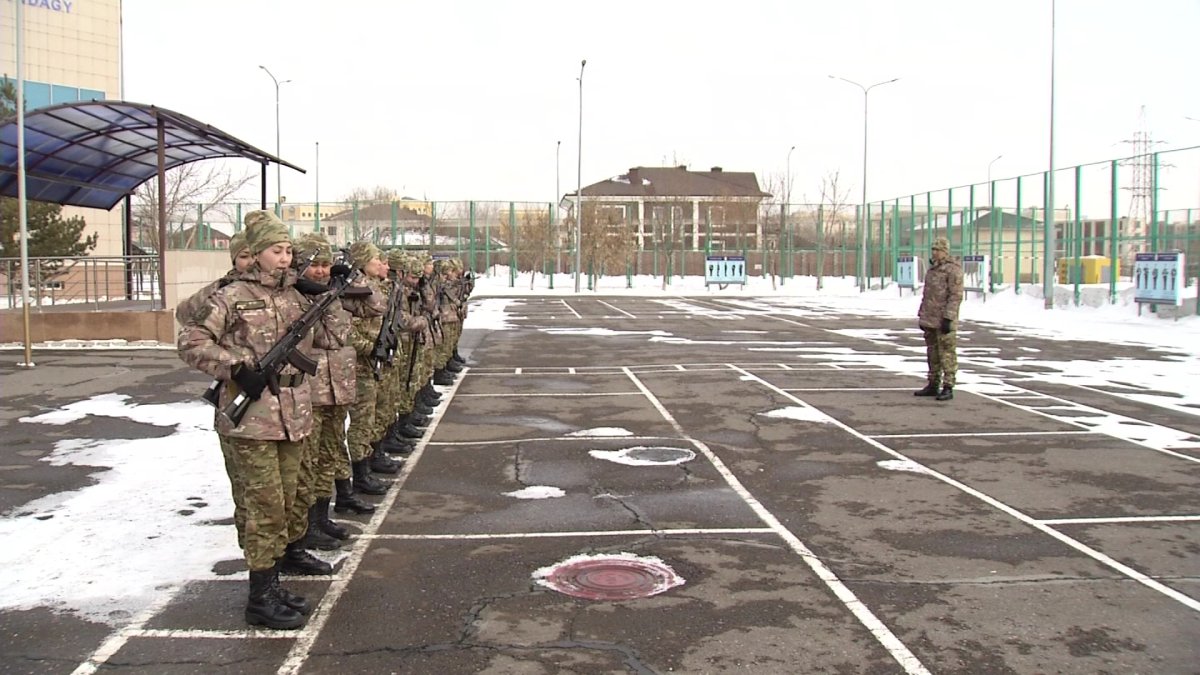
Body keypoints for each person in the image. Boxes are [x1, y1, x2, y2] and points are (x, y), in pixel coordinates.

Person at [177, 210, 314, 630]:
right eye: (277, 250)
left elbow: (329, 340)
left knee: (287, 504)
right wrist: (235, 366)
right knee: (263, 508)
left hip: (293, 413)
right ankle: (259, 598)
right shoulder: (231, 296)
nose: (285, 257)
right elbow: (190, 341)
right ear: (255, 254)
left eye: (289, 250)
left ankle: (272, 584)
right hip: (251, 418)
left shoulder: (296, 296)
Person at [176, 230, 254, 550]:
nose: (250, 262)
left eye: (254, 254)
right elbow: (184, 315)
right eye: (243, 256)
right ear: (234, 259)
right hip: (236, 391)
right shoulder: (223, 292)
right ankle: (252, 551)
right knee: (244, 484)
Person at [915, 236, 963, 401]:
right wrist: (922, 315)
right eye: (933, 249)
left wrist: (949, 318)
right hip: (930, 318)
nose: (934, 253)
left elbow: (955, 296)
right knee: (932, 353)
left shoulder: (953, 270)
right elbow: (927, 295)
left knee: (947, 353)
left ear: (945, 251)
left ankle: (948, 386)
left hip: (943, 319)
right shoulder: (933, 270)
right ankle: (933, 383)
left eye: (937, 250)